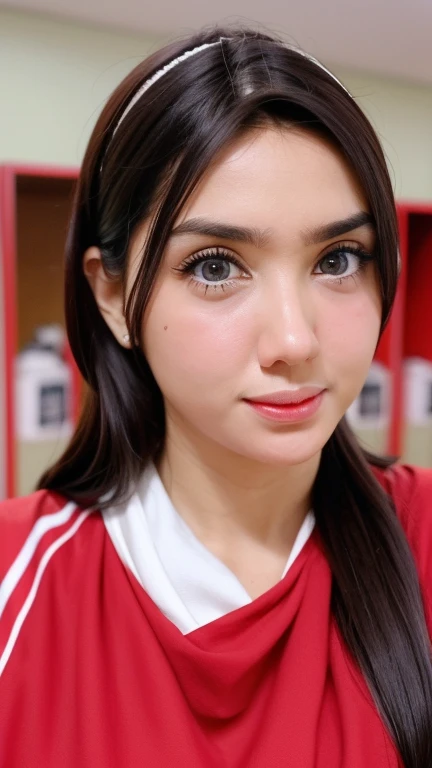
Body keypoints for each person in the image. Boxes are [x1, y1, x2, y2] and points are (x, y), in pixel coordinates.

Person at [1, 26, 431, 768]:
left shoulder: (420, 539)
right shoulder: (18, 584)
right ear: (111, 294)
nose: (294, 340)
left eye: (337, 259)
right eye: (213, 267)